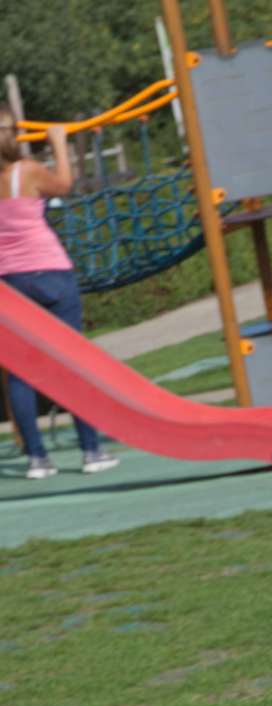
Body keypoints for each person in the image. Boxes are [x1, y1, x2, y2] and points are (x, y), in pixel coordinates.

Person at [0, 105, 118, 479]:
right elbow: (65, 186)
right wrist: (58, 142)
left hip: (8, 282)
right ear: (15, 133)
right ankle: (91, 452)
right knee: (73, 361)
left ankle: (37, 459)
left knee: (19, 372)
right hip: (48, 273)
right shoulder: (27, 170)